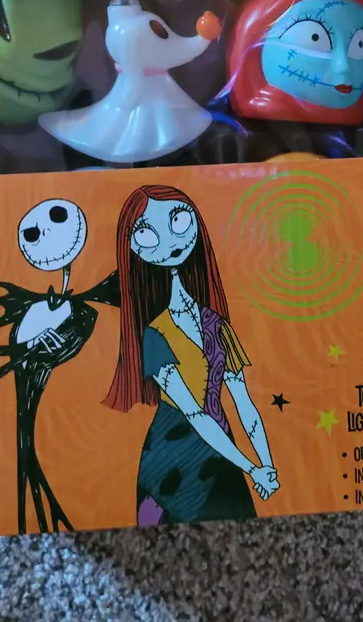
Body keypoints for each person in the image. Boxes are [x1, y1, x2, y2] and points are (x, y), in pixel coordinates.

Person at [103, 183, 279, 525]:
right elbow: (195, 414)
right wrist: (252, 468)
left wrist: (267, 464)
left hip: (222, 447)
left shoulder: (216, 324)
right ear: (132, 247)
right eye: (147, 233)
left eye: (178, 220)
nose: (169, 239)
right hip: (173, 458)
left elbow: (245, 406)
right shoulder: (155, 335)